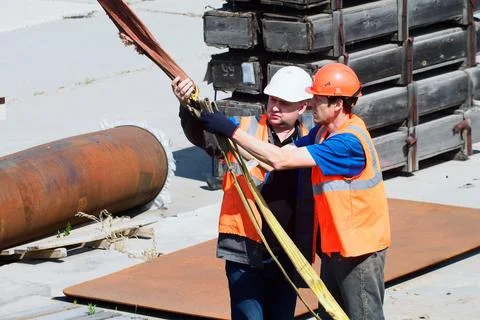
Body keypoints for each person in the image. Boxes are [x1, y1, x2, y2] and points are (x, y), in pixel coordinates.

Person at [200, 62, 392, 320]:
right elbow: (273, 157)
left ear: (337, 104)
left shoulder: (348, 143)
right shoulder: (321, 133)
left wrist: (231, 130)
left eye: (318, 99)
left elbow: (280, 160)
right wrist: (231, 138)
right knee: (332, 316)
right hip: (336, 250)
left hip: (359, 253)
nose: (312, 104)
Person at [172, 66, 319, 320]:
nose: (274, 107)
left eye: (284, 103)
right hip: (246, 251)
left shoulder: (313, 140)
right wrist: (187, 107)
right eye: (273, 99)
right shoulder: (245, 128)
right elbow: (204, 136)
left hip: (287, 254)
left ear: (302, 107)